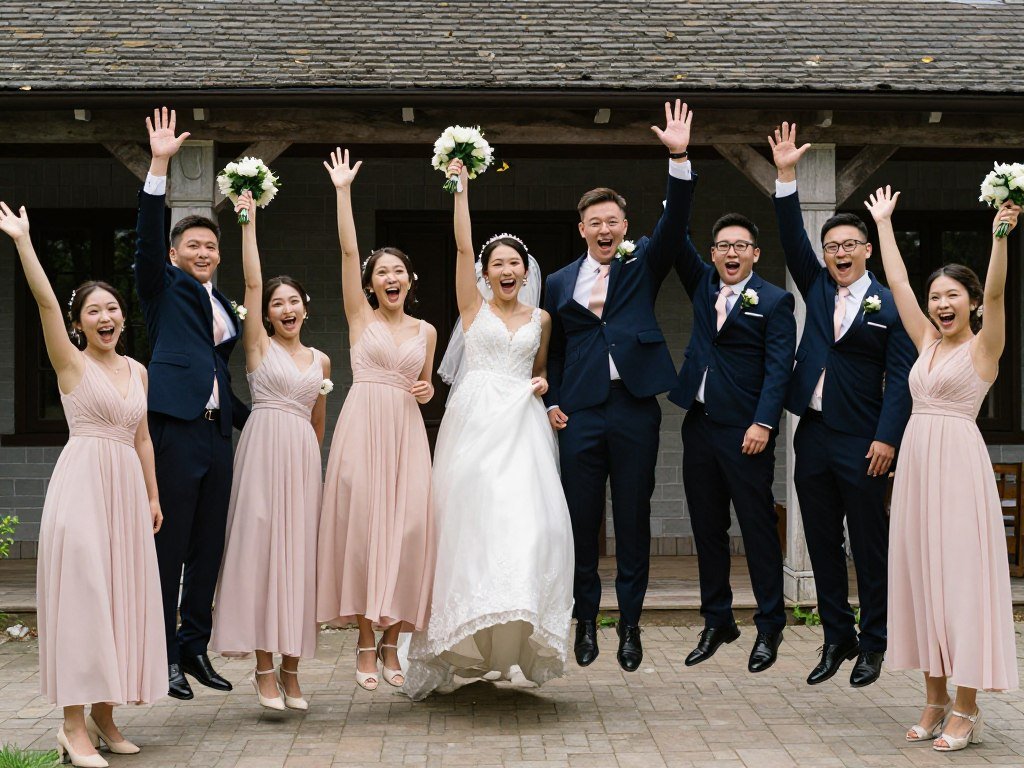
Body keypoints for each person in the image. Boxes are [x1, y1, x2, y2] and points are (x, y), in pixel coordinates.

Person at [402, 158, 574, 700]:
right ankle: (460, 637)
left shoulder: (541, 319)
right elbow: (460, 247)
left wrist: (545, 389)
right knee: (470, 525)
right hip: (475, 423)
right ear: (486, 270)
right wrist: (460, 190)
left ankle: (516, 632)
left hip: (521, 425)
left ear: (525, 272)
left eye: (513, 264)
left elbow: (540, 368)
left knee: (531, 525)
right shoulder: (472, 307)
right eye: (496, 262)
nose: (506, 269)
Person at [1, 202, 165, 767]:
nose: (106, 316)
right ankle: (71, 728)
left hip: (126, 491)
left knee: (119, 601)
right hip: (82, 490)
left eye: (113, 308)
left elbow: (142, 438)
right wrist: (24, 241)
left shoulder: (138, 371)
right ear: (78, 323)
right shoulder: (70, 363)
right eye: (94, 310)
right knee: (84, 601)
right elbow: (46, 299)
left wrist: (152, 493)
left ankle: (105, 714)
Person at [864, 186, 1020, 751]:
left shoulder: (983, 348)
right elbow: (899, 285)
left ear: (971, 303)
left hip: (958, 469)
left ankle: (967, 708)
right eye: (937, 297)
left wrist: (1001, 237)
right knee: (923, 580)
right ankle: (933, 699)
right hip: (917, 468)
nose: (940, 303)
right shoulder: (926, 339)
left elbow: (999, 292)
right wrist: (883, 224)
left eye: (952, 295)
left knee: (960, 585)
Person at [543, 101, 692, 671]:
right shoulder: (558, 282)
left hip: (635, 410)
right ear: (581, 229)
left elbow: (676, 223)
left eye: (613, 221)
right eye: (594, 223)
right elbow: (549, 350)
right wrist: (554, 400)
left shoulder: (642, 263)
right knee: (581, 522)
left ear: (624, 228)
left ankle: (630, 625)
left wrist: (677, 158)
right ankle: (586, 622)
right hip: (579, 414)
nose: (605, 230)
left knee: (632, 518)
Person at [770, 122, 916, 687]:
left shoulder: (889, 303)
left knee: (869, 545)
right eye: (831, 247)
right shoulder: (818, 286)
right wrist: (786, 175)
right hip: (814, 433)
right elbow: (790, 238)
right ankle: (837, 638)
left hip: (865, 438)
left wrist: (886, 438)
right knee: (822, 541)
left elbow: (901, 376)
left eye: (848, 246)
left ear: (867, 250)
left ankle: (875, 642)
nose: (838, 254)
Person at [135, 107, 250, 700]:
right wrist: (159, 165)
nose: (203, 253)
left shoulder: (224, 303)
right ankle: (161, 654)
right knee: (172, 544)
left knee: (210, 543)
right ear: (177, 252)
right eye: (193, 245)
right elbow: (147, 243)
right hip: (175, 429)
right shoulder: (163, 287)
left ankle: (195, 646)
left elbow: (219, 374)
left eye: (210, 246)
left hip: (216, 433)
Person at [318, 149, 437, 690]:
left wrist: (428, 387)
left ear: (410, 280)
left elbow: (427, 384)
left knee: (408, 530)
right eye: (380, 273)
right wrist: (343, 193)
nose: (390, 278)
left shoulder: (427, 332)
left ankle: (394, 644)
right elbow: (347, 249)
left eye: (398, 272)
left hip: (406, 434)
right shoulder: (359, 316)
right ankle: (366, 643)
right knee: (367, 532)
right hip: (363, 426)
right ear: (370, 285)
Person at [209, 190, 330, 711]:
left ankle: (293, 669)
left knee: (298, 559)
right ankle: (263, 669)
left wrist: (307, 462)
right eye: (277, 303)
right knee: (261, 555)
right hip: (261, 452)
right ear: (266, 312)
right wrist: (248, 222)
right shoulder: (257, 344)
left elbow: (318, 424)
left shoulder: (322, 361)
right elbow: (253, 280)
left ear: (306, 307)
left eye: (293, 301)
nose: (286, 308)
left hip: (301, 456)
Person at [668, 179, 796, 672]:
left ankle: (770, 625)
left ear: (755, 254)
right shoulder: (702, 283)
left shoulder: (775, 300)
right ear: (714, 254)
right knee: (707, 527)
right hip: (698, 425)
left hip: (747, 431)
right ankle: (717, 619)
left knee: (758, 527)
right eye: (723, 246)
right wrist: (678, 171)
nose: (731, 253)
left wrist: (764, 422)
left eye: (740, 246)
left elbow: (779, 367)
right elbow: (674, 234)